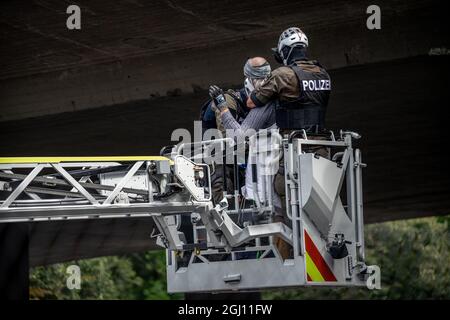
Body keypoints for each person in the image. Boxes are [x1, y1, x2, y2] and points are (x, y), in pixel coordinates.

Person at [247, 28, 333, 259]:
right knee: (321, 203)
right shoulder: (323, 73)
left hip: (294, 151)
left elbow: (253, 101)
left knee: (281, 195)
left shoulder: (283, 74)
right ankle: (323, 245)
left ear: (285, 51)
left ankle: (289, 254)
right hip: (323, 149)